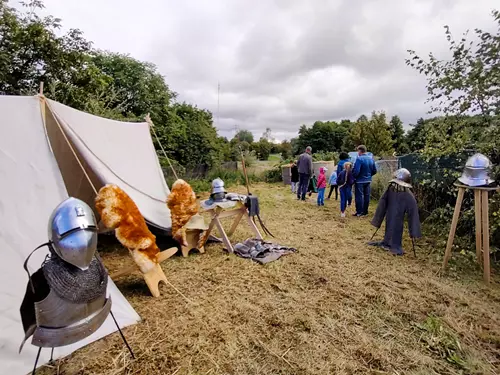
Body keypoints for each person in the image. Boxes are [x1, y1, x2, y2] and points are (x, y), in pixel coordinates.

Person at [352, 145, 377, 217]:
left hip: (359, 180)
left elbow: (356, 171)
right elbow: (374, 170)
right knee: (366, 196)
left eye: (358, 151)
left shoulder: (359, 159)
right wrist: (369, 176)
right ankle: (365, 211)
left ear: (360, 151)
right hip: (368, 180)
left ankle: (359, 212)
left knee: (359, 196)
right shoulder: (371, 159)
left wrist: (354, 177)